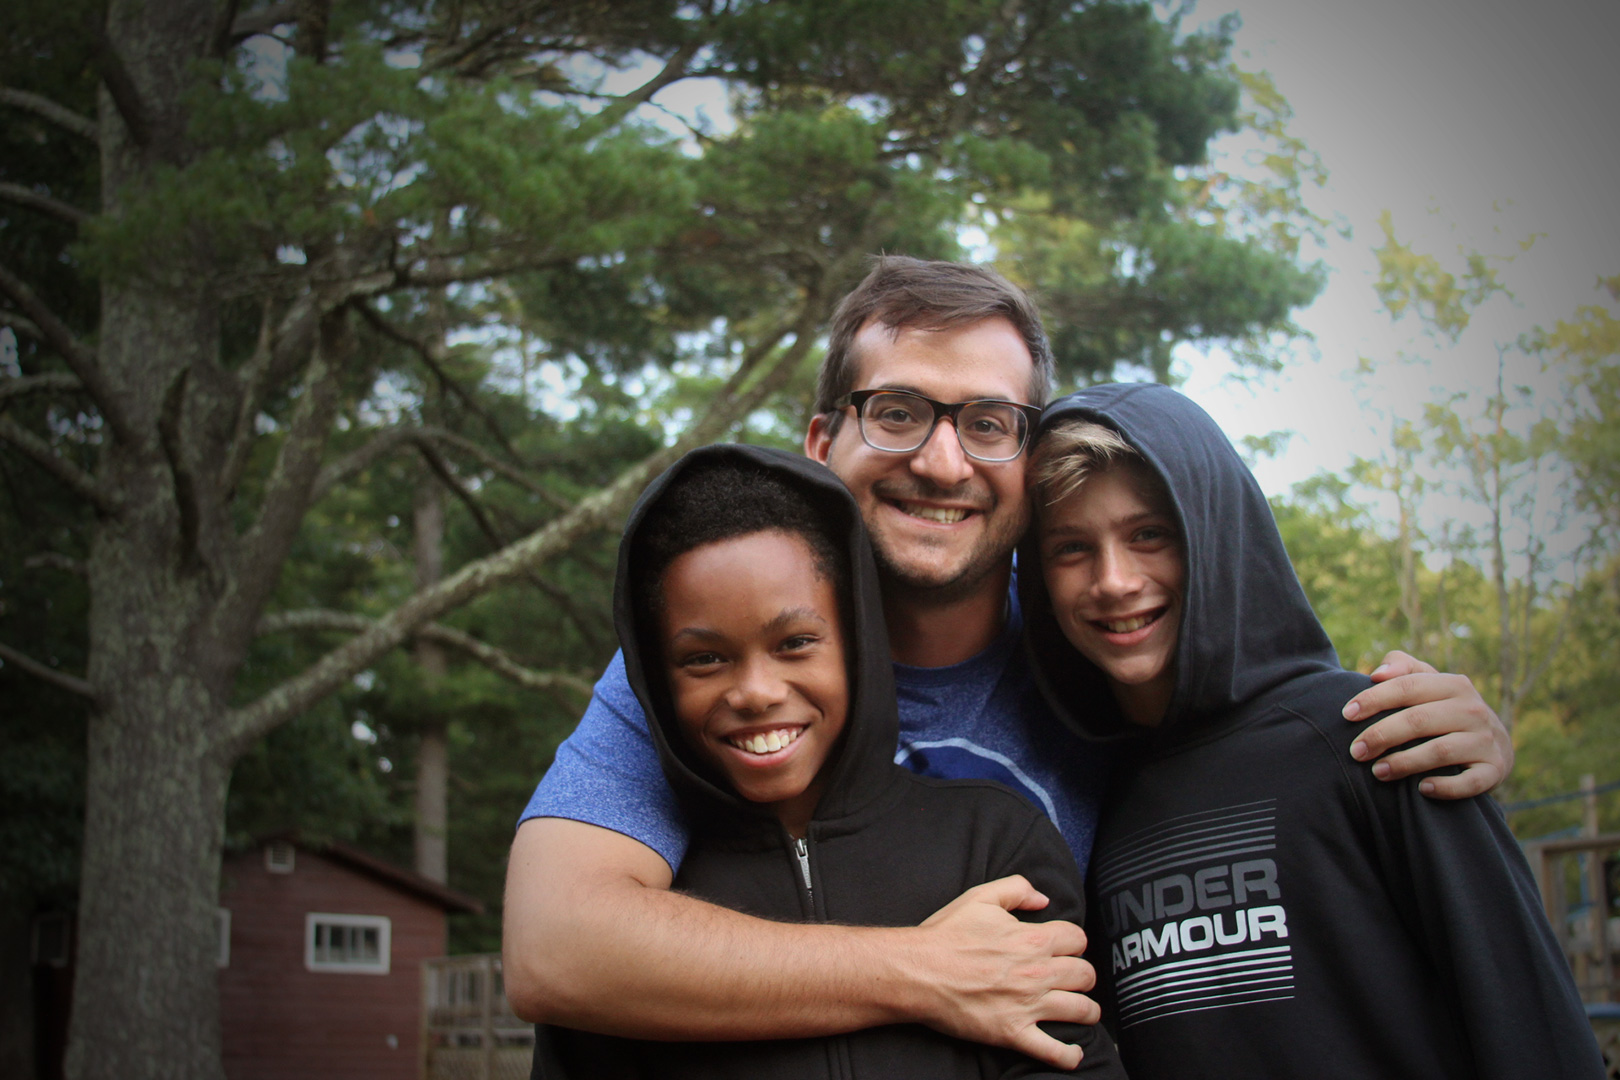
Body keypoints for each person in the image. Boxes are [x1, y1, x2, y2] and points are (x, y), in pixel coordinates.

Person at [502, 257, 1514, 1070]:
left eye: (988, 424)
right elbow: (557, 947)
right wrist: (923, 971)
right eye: (898, 411)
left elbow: (1264, 732)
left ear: (1030, 462)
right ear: (820, 443)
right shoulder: (730, 673)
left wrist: (1411, 728)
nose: (943, 462)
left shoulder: (1100, 641)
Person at [1018, 382, 1601, 1079]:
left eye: (1150, 534)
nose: (1114, 580)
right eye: (1072, 548)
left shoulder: (1381, 737)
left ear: (1214, 531)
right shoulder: (1090, 798)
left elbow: (1531, 1024)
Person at [534, 443, 1127, 1077]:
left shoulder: (997, 845)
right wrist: (925, 969)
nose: (756, 691)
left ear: (857, 642)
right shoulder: (635, 924)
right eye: (705, 658)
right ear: (656, 677)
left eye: (795, 643)